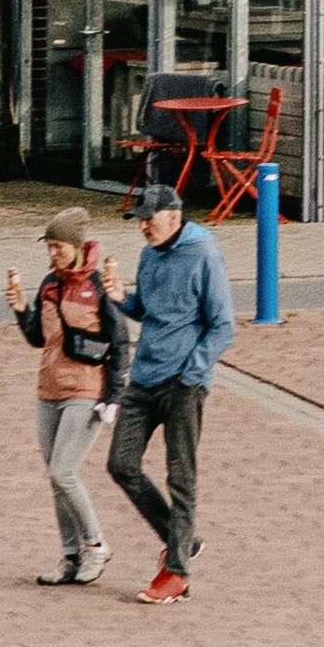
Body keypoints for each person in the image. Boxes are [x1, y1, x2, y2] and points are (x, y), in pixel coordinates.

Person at [107, 184, 231, 593]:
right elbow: (147, 309)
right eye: (139, 220)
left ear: (174, 217)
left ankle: (176, 573)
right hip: (143, 379)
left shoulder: (204, 253)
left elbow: (222, 326)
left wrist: (192, 374)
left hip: (183, 384)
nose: (143, 226)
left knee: (181, 477)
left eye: (150, 218)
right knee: (121, 464)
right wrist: (120, 298)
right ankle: (182, 541)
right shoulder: (149, 253)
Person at [25, 221, 126, 586]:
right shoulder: (49, 284)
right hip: (49, 388)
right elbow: (38, 338)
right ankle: (70, 556)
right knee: (56, 478)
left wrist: (114, 396)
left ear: (77, 245)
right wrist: (22, 310)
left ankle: (96, 545)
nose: (53, 254)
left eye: (58, 246)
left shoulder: (98, 286)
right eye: (49, 247)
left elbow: (119, 342)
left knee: (63, 471)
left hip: (87, 390)